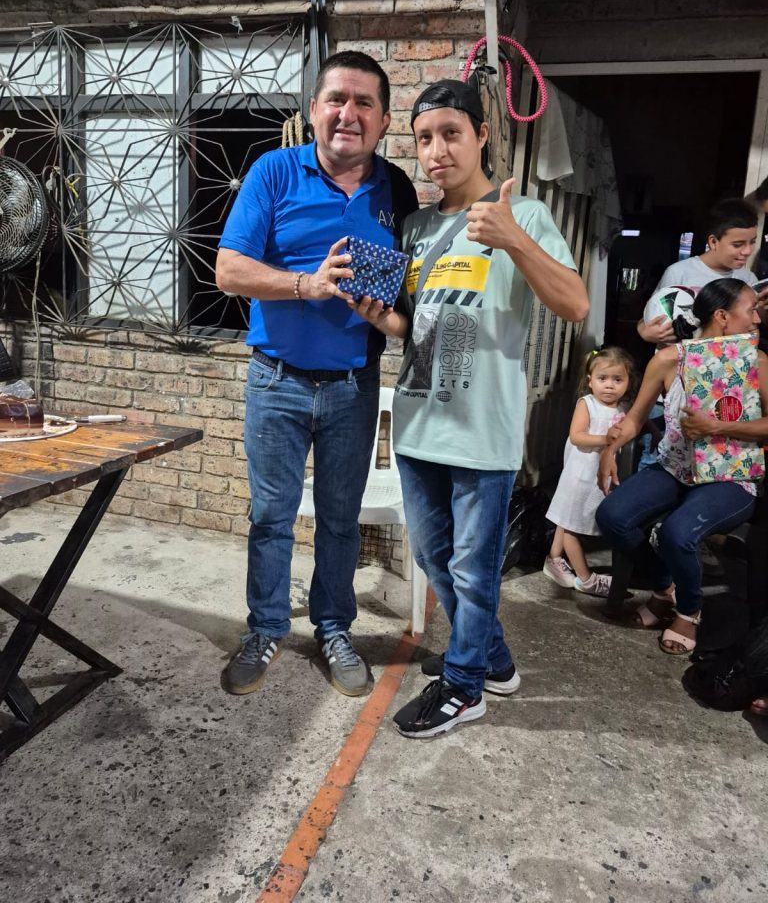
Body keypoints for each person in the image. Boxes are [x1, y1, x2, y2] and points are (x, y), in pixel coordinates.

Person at [349, 78, 589, 737]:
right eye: (425, 138)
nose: (437, 151)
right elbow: (417, 327)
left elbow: (574, 304)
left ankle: (464, 687)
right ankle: (493, 661)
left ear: (482, 135)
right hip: (418, 423)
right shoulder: (416, 228)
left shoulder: (523, 215)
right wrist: (384, 321)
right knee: (434, 560)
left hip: (483, 430)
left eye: (451, 134)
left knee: (473, 571)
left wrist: (513, 239)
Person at [215, 50, 418, 697]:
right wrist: (307, 284)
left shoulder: (398, 190)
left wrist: (385, 312)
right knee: (271, 517)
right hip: (275, 381)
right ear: (313, 110)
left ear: (383, 121)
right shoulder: (274, 171)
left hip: (354, 387)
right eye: (336, 99)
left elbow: (407, 298)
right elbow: (228, 270)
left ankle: (334, 628)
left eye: (363, 103)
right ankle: (266, 628)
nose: (347, 114)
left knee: (339, 520)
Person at [596, 278, 768, 656]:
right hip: (675, 467)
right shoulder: (668, 360)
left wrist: (717, 427)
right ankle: (663, 588)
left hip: (730, 477)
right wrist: (610, 450)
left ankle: (689, 610)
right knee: (612, 515)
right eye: (751, 310)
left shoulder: (756, 362)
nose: (757, 319)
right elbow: (635, 418)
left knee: (676, 532)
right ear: (722, 316)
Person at [543, 347, 634, 597]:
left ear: (628, 382)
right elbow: (577, 436)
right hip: (580, 475)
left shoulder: (623, 407)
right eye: (602, 378)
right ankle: (586, 578)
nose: (609, 385)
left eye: (617, 379)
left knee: (567, 517)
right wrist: (607, 438)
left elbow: (637, 424)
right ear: (590, 380)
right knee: (572, 526)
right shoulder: (588, 404)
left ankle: (553, 559)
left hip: (597, 477)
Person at [637, 198, 760, 345]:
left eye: (752, 242)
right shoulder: (679, 272)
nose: (748, 251)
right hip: (679, 356)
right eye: (738, 244)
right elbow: (650, 315)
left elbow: (755, 323)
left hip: (728, 357)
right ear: (713, 242)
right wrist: (644, 331)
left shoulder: (749, 280)